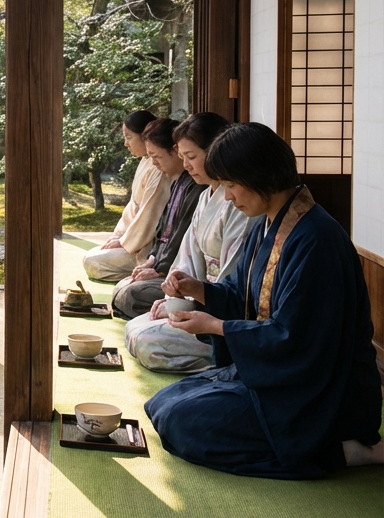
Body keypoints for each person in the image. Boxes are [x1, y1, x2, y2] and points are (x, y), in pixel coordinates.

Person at [146, 122, 384, 478]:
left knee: (184, 422)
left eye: (230, 185)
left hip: (319, 394)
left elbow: (298, 338)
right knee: (163, 403)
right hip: (274, 374)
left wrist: (216, 326)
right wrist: (199, 290)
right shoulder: (266, 224)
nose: (227, 197)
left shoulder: (317, 239)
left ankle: (338, 448)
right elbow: (243, 297)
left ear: (258, 176)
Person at [124, 112, 248, 372]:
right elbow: (188, 255)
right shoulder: (206, 198)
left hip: (217, 310)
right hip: (199, 296)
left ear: (216, 150)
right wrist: (174, 292)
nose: (187, 166)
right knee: (133, 328)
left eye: (191, 157)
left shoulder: (239, 201)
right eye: (183, 158)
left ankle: (221, 358)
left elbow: (232, 277)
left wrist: (193, 301)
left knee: (147, 342)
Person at [109, 118, 206, 316]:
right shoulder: (179, 182)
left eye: (190, 156)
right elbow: (163, 229)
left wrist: (161, 268)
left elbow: (181, 236)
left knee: (131, 294)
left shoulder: (198, 188)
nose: (152, 162)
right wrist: (153, 258)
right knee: (122, 290)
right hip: (168, 267)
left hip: (189, 279)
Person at [82, 110, 172, 283]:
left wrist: (124, 241)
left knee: (92, 261)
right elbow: (134, 206)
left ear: (145, 136)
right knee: (94, 255)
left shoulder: (159, 169)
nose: (125, 143)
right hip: (132, 238)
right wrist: (119, 236)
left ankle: (139, 273)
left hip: (143, 246)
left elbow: (150, 216)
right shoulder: (146, 161)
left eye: (129, 137)